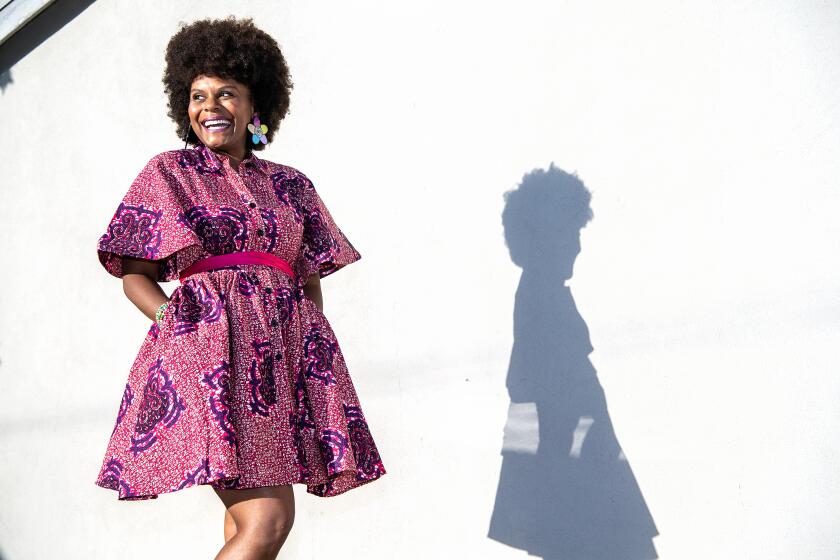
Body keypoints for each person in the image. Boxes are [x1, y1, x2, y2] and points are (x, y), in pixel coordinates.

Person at [93, 16, 386, 558]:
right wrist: (175, 323)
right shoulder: (169, 172)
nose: (210, 106)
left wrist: (308, 355)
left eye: (226, 93)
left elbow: (308, 276)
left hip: (280, 364)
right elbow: (134, 272)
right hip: (207, 353)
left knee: (245, 526)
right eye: (198, 95)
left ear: (257, 105)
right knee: (269, 519)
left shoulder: (292, 185)